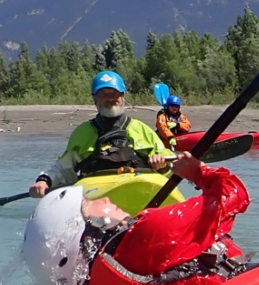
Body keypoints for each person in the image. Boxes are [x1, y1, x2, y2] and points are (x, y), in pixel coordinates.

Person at [22, 151, 249, 285]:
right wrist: (200, 173)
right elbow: (235, 194)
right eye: (91, 202)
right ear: (90, 226)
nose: (105, 198)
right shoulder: (151, 230)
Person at [29, 70, 174, 197]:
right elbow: (63, 168)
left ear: (123, 96)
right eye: (103, 95)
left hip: (139, 192)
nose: (110, 99)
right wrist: (44, 180)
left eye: (114, 94)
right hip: (96, 197)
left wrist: (162, 164)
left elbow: (169, 165)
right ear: (94, 98)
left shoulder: (142, 130)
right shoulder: (82, 133)